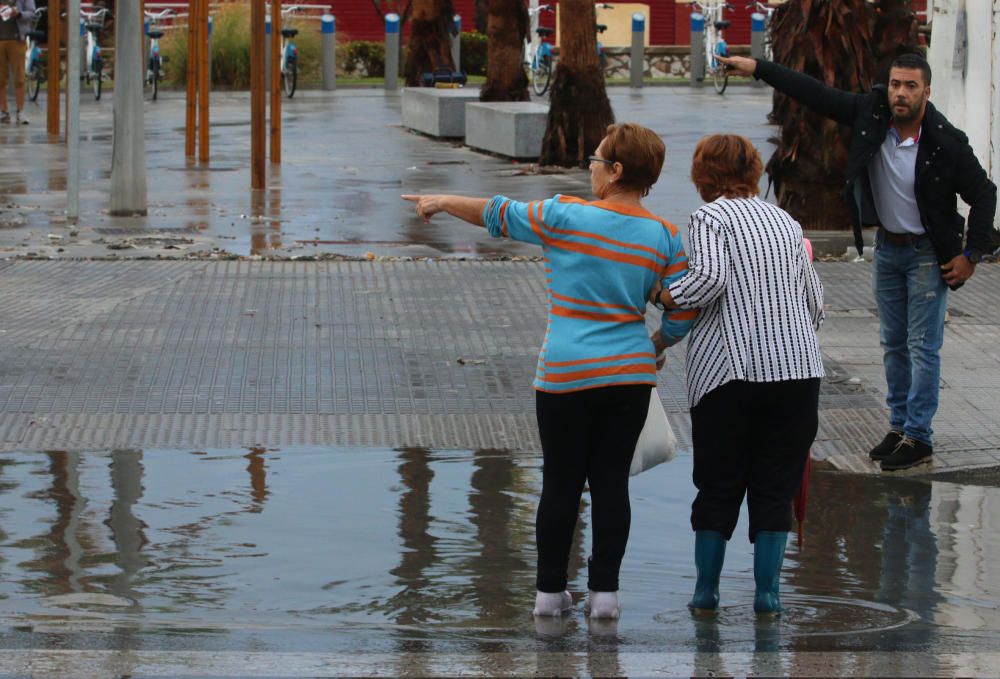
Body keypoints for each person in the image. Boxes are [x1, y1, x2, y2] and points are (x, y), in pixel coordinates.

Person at [402, 123, 695, 620]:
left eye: (597, 160)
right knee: (610, 486)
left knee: (560, 483)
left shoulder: (565, 216)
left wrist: (442, 200)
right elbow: (683, 308)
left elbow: (497, 214)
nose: (591, 168)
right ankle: (605, 596)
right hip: (629, 377)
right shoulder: (665, 236)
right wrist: (657, 344)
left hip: (565, 375)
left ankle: (548, 595)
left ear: (617, 170)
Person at [717, 52, 998, 472]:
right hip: (888, 249)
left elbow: (985, 194)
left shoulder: (946, 141)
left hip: (927, 254)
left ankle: (918, 436)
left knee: (924, 347)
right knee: (892, 345)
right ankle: (899, 425)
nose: (901, 94)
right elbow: (815, 93)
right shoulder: (872, 113)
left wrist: (971, 255)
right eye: (896, 84)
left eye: (911, 86)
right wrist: (757, 67)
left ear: (927, 92)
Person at [649, 134, 824, 615]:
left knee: (719, 484)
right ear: (751, 170)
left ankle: (706, 593)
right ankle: (768, 597)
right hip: (797, 373)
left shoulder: (709, 217)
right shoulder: (787, 221)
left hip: (731, 375)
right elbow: (815, 302)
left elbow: (710, 279)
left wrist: (665, 296)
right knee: (776, 487)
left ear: (703, 174)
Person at [0, 0, 36, 125]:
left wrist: (18, 14)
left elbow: (32, 13)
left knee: (19, 77)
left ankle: (20, 111)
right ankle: (3, 111)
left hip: (17, 40)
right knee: (0, 79)